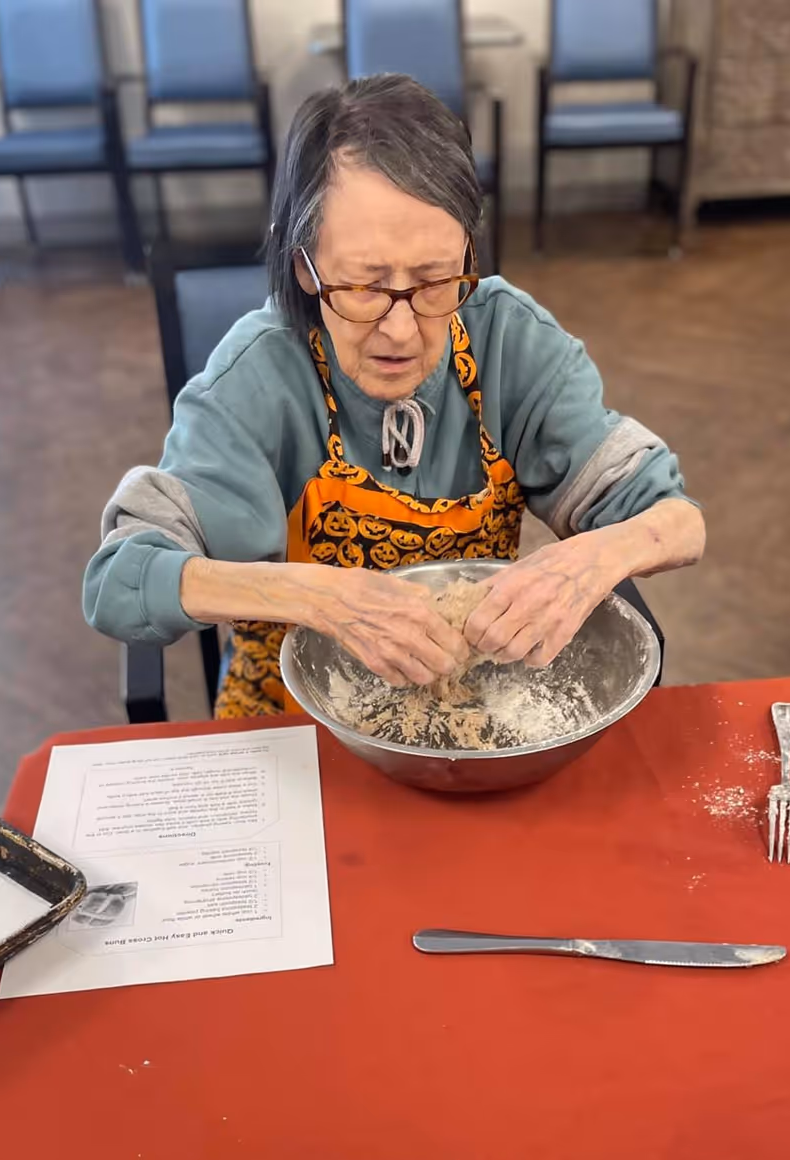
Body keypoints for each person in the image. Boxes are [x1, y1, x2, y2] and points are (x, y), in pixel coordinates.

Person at [85, 74, 705, 717]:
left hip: (470, 712)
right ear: (306, 267)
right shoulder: (257, 379)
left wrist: (588, 561)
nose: (402, 330)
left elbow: (678, 522)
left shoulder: (509, 344)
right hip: (290, 724)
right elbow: (119, 582)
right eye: (363, 287)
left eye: (437, 281)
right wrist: (322, 598)